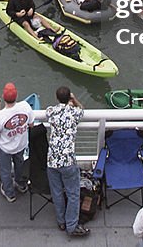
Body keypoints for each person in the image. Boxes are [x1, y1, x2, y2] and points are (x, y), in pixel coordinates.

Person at [45, 86, 89, 238]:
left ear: (57, 98)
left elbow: (49, 111)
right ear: (69, 97)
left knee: (57, 192)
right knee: (73, 194)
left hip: (52, 160)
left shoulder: (51, 111)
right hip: (68, 160)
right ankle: (72, 225)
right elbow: (82, 109)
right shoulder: (74, 112)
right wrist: (74, 100)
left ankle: (61, 221)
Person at [0, 82, 32, 202]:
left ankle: (9, 193)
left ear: (3, 97)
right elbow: (31, 124)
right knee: (20, 166)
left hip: (5, 148)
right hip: (21, 145)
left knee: (5, 170)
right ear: (16, 95)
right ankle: (21, 185)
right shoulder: (25, 106)